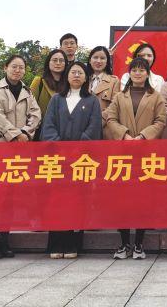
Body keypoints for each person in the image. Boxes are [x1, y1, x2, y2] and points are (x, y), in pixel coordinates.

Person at [104, 57, 167, 259]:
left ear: (148, 73)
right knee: (121, 200)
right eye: (134, 70)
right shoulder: (119, 97)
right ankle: (124, 244)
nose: (138, 73)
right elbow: (109, 117)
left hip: (146, 153)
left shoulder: (155, 96)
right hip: (123, 153)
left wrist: (143, 136)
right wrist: (124, 134)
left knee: (143, 199)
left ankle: (139, 244)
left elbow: (161, 120)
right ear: (129, 73)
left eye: (142, 70)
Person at [0, 54, 42, 258]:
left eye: (21, 67)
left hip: (19, 148)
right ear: (5, 68)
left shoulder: (27, 92)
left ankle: (4, 239)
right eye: (14, 67)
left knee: (10, 196)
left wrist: (25, 132)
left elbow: (36, 115)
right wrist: (14, 134)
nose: (17, 70)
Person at [41, 62, 102, 258]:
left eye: (80, 73)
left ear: (86, 78)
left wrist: (77, 150)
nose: (76, 75)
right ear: (67, 76)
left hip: (80, 160)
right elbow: (48, 125)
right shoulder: (57, 100)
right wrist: (59, 147)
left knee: (78, 200)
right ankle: (56, 244)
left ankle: (73, 244)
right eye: (73, 72)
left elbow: (94, 128)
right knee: (56, 201)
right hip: (57, 159)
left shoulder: (91, 101)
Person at [29, 49, 68, 126]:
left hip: (65, 129)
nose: (58, 63)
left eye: (61, 60)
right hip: (41, 129)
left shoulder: (69, 84)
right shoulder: (39, 82)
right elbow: (29, 107)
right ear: (48, 63)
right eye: (54, 60)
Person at [87, 46, 120, 113]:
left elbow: (114, 106)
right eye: (95, 57)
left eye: (102, 58)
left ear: (107, 61)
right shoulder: (84, 79)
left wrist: (99, 120)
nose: (98, 61)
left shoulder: (114, 81)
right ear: (90, 60)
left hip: (103, 122)